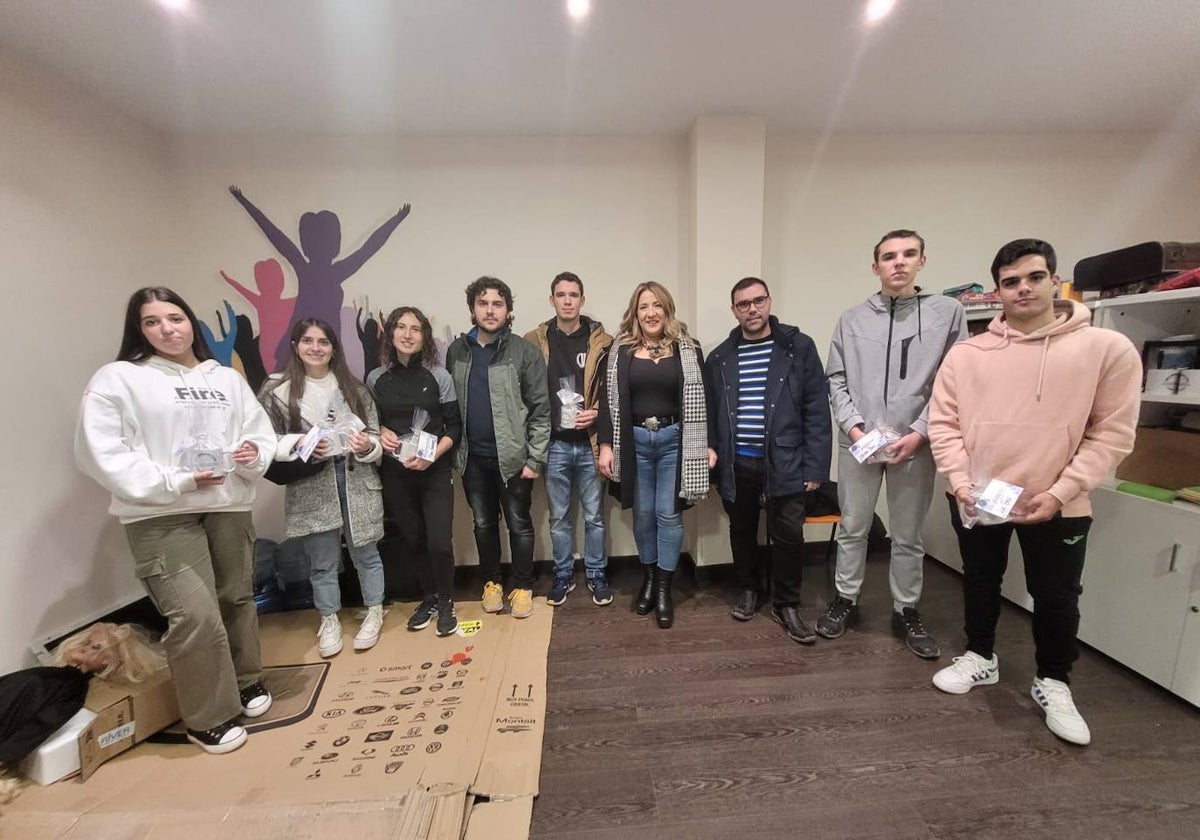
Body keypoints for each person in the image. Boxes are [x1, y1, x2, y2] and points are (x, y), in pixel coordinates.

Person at [928, 238, 1140, 745]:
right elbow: (944, 425)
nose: (1023, 288)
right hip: (979, 497)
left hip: (1059, 502)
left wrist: (1064, 489)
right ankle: (981, 656)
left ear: (1054, 280)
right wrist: (960, 482)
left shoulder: (1105, 349)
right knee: (980, 580)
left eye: (1034, 277)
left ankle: (1054, 682)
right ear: (997, 290)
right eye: (1011, 281)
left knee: (1057, 597)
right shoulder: (967, 354)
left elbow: (1112, 433)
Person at [75, 287, 277, 755]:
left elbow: (257, 433)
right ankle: (208, 715)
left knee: (236, 598)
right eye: (152, 321)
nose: (167, 328)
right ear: (137, 329)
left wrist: (253, 454)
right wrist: (176, 480)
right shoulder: (119, 378)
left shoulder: (225, 378)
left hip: (227, 504)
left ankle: (246, 681)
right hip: (161, 512)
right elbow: (99, 453)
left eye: (176, 317)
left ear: (192, 323)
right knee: (194, 614)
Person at [820, 230, 967, 658]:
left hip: (914, 446)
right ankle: (846, 599)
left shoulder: (947, 313)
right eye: (888, 256)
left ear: (922, 260)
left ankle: (906, 610)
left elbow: (951, 381)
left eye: (908, 254)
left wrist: (920, 432)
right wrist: (854, 430)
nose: (898, 263)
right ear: (875, 267)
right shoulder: (852, 319)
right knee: (853, 527)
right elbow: (837, 378)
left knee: (907, 535)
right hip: (859, 443)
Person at [707, 277, 832, 642]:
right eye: (743, 304)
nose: (752, 309)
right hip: (736, 462)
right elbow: (712, 413)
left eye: (758, 300)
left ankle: (787, 603)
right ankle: (749, 590)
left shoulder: (798, 347)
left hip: (787, 461)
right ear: (734, 310)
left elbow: (817, 410)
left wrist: (815, 467)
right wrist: (713, 460)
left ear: (769, 302)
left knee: (789, 535)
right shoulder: (720, 357)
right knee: (741, 529)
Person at [258, 319, 386, 658]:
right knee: (321, 560)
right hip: (313, 483)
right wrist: (298, 444)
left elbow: (374, 434)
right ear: (295, 346)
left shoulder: (354, 388)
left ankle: (374, 610)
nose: (316, 348)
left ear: (333, 348)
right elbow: (261, 441)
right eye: (308, 341)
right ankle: (329, 618)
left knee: (366, 553)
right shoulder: (278, 393)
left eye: (323, 342)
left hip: (355, 478)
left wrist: (366, 446)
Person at [598, 282, 716, 629]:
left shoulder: (688, 349)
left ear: (667, 309)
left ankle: (664, 588)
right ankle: (648, 579)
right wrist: (606, 445)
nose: (650, 313)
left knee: (668, 514)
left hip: (674, 442)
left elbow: (705, 398)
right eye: (643, 307)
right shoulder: (619, 350)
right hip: (634, 443)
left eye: (657, 306)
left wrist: (708, 444)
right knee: (644, 514)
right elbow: (607, 401)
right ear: (635, 313)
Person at [446, 277, 550, 618]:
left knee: (519, 523)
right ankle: (492, 581)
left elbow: (540, 409)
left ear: (508, 311)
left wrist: (535, 459)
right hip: (472, 459)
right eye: (483, 303)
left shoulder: (523, 351)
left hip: (514, 460)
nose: (490, 310)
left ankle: (523, 585)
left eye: (498, 304)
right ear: (473, 309)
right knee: (483, 523)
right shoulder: (457, 351)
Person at [369, 306, 462, 636]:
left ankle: (448, 601)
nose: (408, 335)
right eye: (401, 328)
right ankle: (430, 597)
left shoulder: (439, 376)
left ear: (425, 336)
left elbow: (454, 428)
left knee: (439, 541)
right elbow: (371, 423)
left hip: (434, 472)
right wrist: (380, 430)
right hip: (396, 474)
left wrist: (432, 457)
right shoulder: (376, 378)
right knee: (413, 539)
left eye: (415, 329)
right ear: (390, 334)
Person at [524, 272, 615, 607]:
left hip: (590, 442)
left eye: (573, 295)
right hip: (556, 444)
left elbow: (615, 391)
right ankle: (563, 575)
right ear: (551, 300)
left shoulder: (602, 341)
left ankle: (596, 573)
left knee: (594, 515)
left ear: (582, 300)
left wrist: (597, 411)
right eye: (560, 295)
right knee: (559, 517)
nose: (567, 300)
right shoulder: (534, 340)